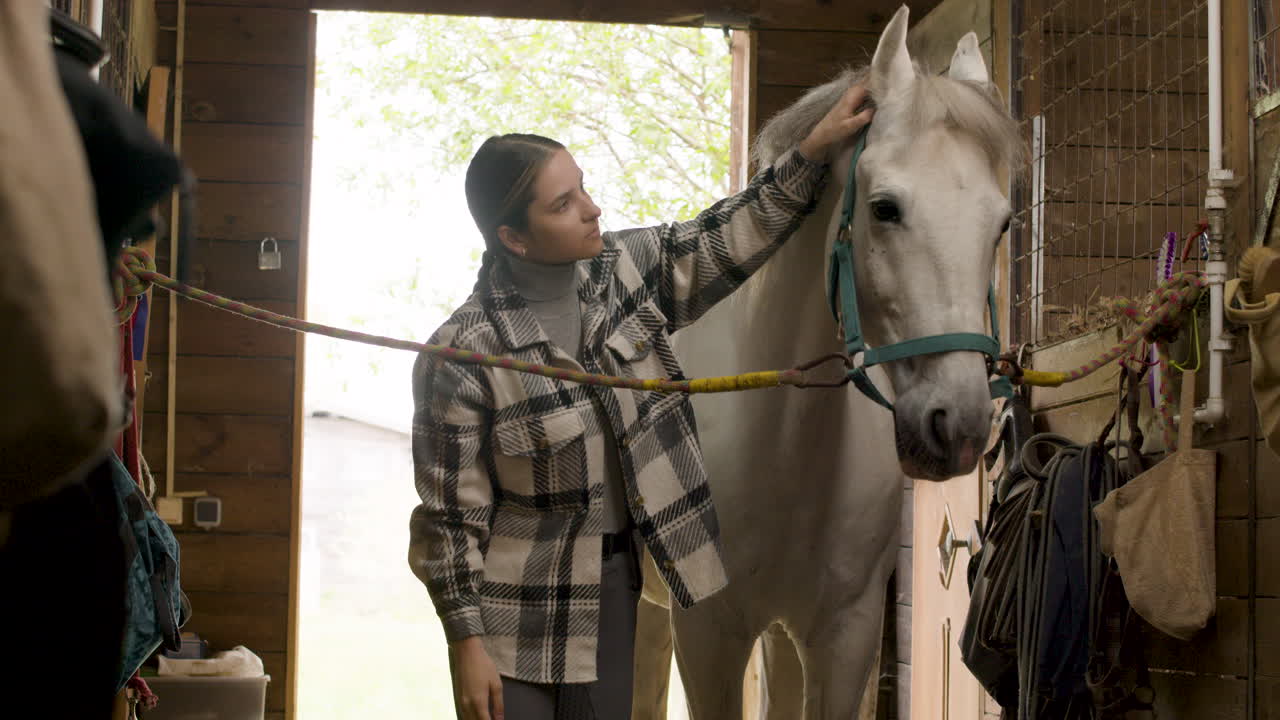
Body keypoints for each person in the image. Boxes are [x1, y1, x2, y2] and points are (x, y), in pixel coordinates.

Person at [410, 83, 873, 720]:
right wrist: (466, 644)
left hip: (614, 592)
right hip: (514, 618)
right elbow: (449, 522)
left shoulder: (625, 274)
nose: (592, 210)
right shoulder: (461, 356)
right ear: (514, 239)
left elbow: (728, 233)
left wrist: (813, 151)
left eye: (584, 188)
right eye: (564, 204)